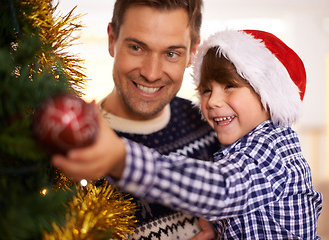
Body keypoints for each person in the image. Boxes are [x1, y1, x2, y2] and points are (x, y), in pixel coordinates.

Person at [53, 29, 323, 239]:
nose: (213, 101)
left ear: (269, 96)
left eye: (229, 86)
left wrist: (122, 157)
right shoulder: (247, 148)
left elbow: (222, 187)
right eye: (206, 89)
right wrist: (219, 226)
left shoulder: (271, 149)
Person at [55, 0, 221, 239]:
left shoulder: (213, 128)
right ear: (112, 39)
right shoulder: (73, 152)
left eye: (171, 53)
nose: (151, 73)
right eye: (136, 48)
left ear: (193, 52)